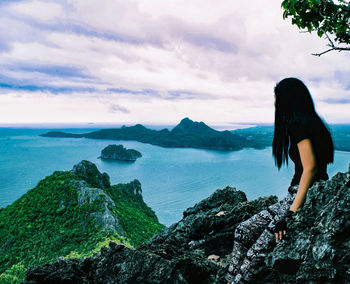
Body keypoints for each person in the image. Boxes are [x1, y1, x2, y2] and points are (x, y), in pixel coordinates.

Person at [225, 77, 334, 283]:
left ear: (286, 99)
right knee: (242, 231)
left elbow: (310, 169)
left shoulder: (299, 125)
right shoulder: (313, 124)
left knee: (253, 257)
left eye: (276, 97)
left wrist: (291, 214)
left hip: (301, 197)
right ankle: (231, 279)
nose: (274, 102)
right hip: (293, 196)